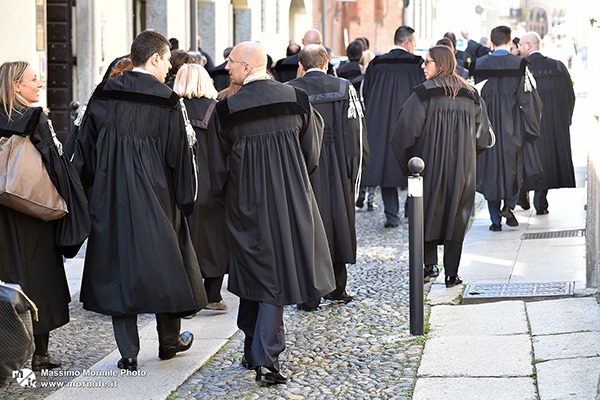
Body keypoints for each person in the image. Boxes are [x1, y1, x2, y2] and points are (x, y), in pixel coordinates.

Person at [71, 30, 207, 371]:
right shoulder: (167, 100)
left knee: (118, 269)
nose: (168, 72)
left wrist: (90, 194)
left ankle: (128, 353)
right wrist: (185, 201)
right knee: (169, 265)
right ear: (155, 58)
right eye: (166, 63)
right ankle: (168, 342)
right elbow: (181, 156)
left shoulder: (103, 94)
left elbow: (83, 151)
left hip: (110, 197)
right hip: (159, 197)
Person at [206, 41, 334, 385]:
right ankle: (261, 355)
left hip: (244, 202)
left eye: (231, 62)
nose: (227, 68)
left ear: (248, 67)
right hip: (289, 199)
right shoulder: (296, 100)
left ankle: (260, 353)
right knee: (271, 273)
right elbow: (311, 154)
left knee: (255, 272)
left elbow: (216, 172)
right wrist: (289, 179)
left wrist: (229, 200)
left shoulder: (227, 110)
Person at [0, 61, 81, 371]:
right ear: (16, 86)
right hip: (33, 210)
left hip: (2, 215)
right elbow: (56, 165)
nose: (40, 83)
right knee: (39, 277)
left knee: (7, 276)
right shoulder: (36, 119)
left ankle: (9, 348)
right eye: (34, 79)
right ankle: (39, 353)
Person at [391, 46, 492, 288]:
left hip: (428, 166)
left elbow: (405, 133)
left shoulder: (423, 94)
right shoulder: (471, 94)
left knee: (427, 210)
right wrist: (467, 155)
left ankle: (429, 265)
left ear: (441, 63)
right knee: (457, 215)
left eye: (428, 62)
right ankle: (452, 274)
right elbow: (482, 137)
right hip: (463, 170)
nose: (423, 66)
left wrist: (410, 165)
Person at [288, 44, 370, 310]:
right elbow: (355, 131)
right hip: (335, 165)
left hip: (302, 166)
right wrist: (355, 168)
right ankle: (337, 288)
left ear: (301, 65)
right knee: (336, 222)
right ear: (327, 63)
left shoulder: (289, 90)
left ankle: (308, 295)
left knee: (306, 224)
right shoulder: (344, 88)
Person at [470, 25, 542, 231]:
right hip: (513, 127)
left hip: (486, 129)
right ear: (510, 42)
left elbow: (473, 99)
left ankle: (494, 220)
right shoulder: (519, 65)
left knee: (490, 170)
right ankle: (509, 206)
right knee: (513, 167)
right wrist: (532, 128)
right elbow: (528, 101)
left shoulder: (478, 65)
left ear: (491, 43)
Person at [173, 63, 229, 312]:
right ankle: (213, 295)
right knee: (215, 238)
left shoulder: (172, 109)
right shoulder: (217, 110)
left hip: (180, 185)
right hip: (211, 184)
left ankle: (186, 296)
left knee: (183, 239)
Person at [360, 25, 426, 228]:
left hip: (382, 124)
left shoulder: (377, 64)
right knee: (414, 167)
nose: (415, 46)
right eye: (414, 42)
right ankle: (411, 209)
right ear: (407, 42)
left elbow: (367, 94)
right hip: (410, 123)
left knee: (386, 169)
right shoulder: (417, 65)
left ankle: (392, 215)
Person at [518, 31, 576, 214]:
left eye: (520, 45)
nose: (519, 49)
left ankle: (524, 196)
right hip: (553, 125)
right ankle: (541, 201)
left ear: (528, 45)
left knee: (527, 160)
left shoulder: (521, 69)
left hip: (529, 125)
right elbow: (570, 97)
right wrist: (565, 121)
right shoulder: (558, 67)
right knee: (548, 161)